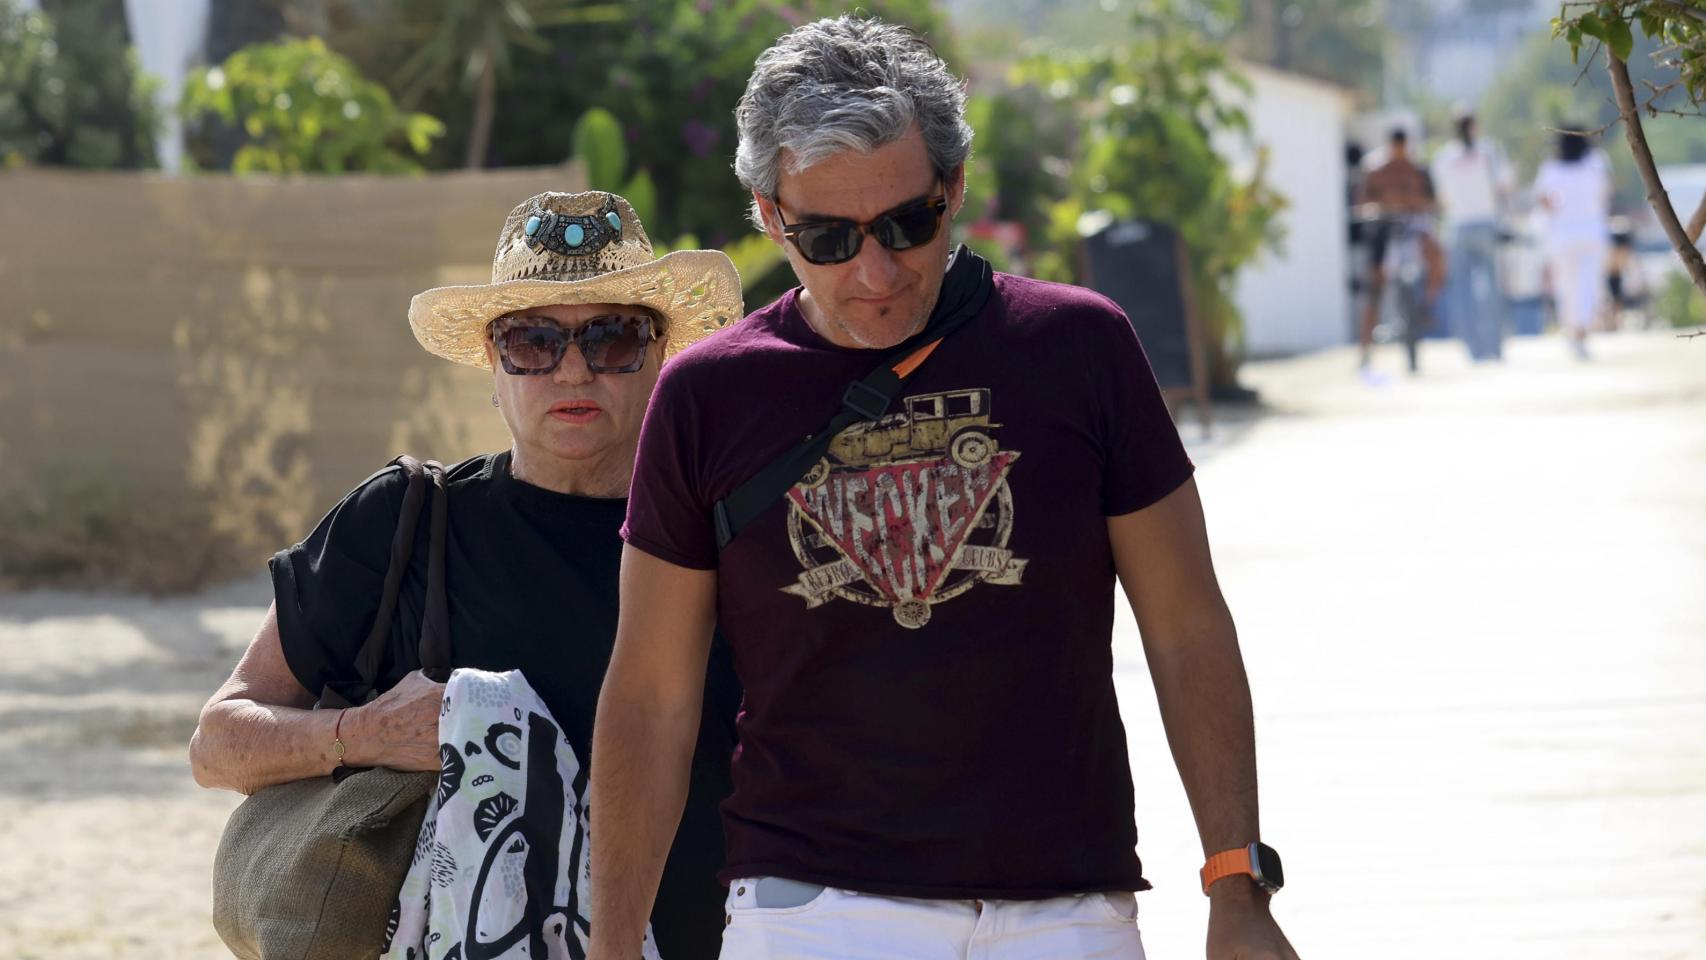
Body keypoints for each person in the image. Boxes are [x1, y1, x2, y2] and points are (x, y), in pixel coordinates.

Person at [587, 17, 1300, 960]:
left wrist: (1235, 883)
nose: (877, 273)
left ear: (954, 186)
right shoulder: (706, 397)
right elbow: (650, 694)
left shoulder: (1081, 348)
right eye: (829, 237)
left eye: (908, 225)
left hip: (1067, 908)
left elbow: (1185, 623)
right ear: (770, 214)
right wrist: (609, 945)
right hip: (814, 910)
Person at [189, 191, 745, 959]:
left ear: (660, 354)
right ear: (493, 360)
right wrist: (363, 734)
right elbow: (218, 743)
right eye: (533, 340)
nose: (573, 368)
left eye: (612, 337)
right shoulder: (405, 524)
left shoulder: (732, 534)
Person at [1357, 126, 1446, 377]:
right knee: (1373, 285)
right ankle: (1365, 349)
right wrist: (1383, 205)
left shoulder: (1418, 170)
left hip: (1412, 225)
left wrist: (1414, 203)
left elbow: (1433, 200)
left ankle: (1427, 304)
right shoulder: (1374, 169)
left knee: (1437, 253)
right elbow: (1362, 202)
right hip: (1383, 227)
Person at [1431, 104, 1512, 361]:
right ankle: (1495, 347)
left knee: (1462, 291)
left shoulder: (1444, 157)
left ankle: (1473, 349)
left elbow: (1441, 198)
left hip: (1457, 227)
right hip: (1486, 225)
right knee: (1491, 287)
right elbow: (1504, 185)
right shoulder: (1488, 152)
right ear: (1475, 126)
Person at [1533, 127, 1613, 359]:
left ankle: (1573, 330)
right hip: (1591, 233)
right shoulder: (1597, 164)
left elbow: (1543, 200)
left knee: (1566, 287)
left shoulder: (1551, 169)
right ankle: (1580, 330)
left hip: (1562, 236)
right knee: (1589, 284)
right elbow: (1606, 193)